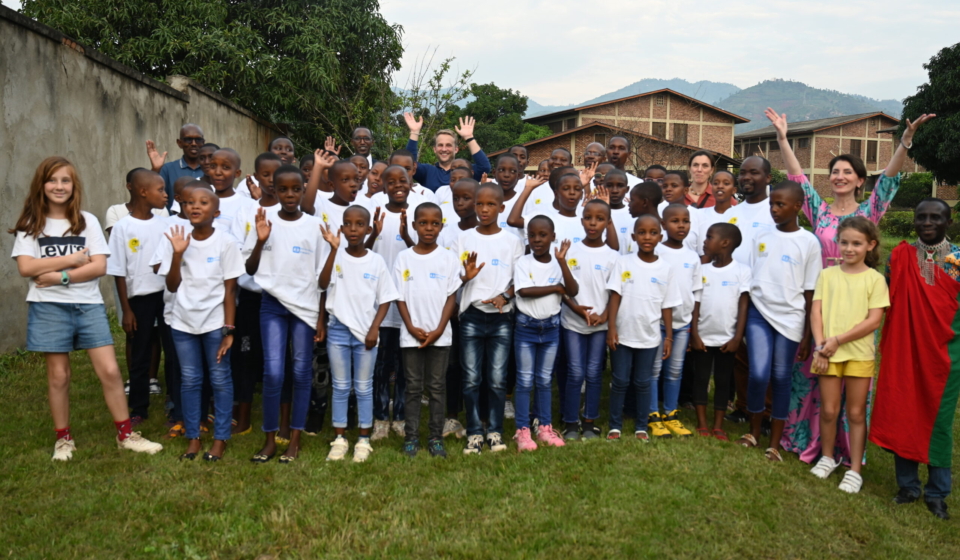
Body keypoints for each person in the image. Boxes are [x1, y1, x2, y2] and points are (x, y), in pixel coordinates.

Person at [764, 108, 936, 465]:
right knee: (811, 372)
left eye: (847, 172)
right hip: (821, 299)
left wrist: (904, 142)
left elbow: (888, 179)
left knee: (852, 379)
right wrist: (782, 137)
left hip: (857, 305)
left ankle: (845, 449)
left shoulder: (867, 214)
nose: (839, 176)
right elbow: (798, 178)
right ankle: (807, 441)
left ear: (860, 180)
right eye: (835, 172)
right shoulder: (820, 213)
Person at [11, 157, 163, 460]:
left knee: (109, 370)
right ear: (41, 185)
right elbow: (26, 267)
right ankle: (63, 440)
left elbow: (99, 266)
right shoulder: (31, 223)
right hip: (48, 307)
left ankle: (125, 434)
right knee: (59, 376)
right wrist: (71, 260)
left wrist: (59, 276)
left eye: (65, 180)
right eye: (52, 180)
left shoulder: (87, 220)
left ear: (73, 185)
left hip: (88, 305)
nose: (59, 186)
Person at [871, 198, 960, 520]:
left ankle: (938, 492)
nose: (927, 222)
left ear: (948, 222)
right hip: (906, 350)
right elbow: (891, 298)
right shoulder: (900, 257)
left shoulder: (959, 259)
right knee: (903, 411)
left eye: (935, 217)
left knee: (940, 423)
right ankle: (908, 486)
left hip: (947, 354)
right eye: (921, 216)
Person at [243, 165, 327, 464]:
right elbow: (250, 269)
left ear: (303, 190)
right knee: (274, 372)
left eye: (295, 189)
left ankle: (294, 439)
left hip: (305, 307)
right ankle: (269, 439)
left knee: (302, 371)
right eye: (283, 189)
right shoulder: (264, 222)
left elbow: (322, 278)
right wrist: (261, 240)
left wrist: (320, 317)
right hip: (273, 305)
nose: (289, 195)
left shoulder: (314, 226)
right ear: (274, 191)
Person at [156, 187, 244, 461]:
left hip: (215, 324)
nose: (195, 207)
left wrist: (229, 330)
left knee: (219, 379)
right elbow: (171, 286)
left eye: (203, 203)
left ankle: (220, 439)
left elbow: (231, 291)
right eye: (190, 203)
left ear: (216, 212)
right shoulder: (177, 239)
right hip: (182, 323)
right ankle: (193, 437)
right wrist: (177, 255)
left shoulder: (226, 242)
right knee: (190, 379)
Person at [739, 181, 822, 462]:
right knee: (759, 374)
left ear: (797, 207)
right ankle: (752, 431)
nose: (774, 209)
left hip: (790, 319)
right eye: (772, 203)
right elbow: (749, 278)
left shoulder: (809, 242)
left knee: (781, 376)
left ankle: (774, 442)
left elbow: (811, 292)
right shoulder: (761, 235)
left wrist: (808, 335)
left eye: (780, 204)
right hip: (759, 314)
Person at [807, 217, 888, 493]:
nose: (849, 249)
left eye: (857, 243)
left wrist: (837, 340)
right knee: (829, 410)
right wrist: (821, 346)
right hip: (826, 355)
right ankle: (827, 457)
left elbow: (873, 320)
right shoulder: (827, 275)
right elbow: (816, 311)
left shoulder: (875, 280)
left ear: (870, 245)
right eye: (844, 242)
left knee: (855, 413)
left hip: (858, 355)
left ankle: (854, 469)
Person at [320, 205, 399, 462]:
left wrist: (375, 327)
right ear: (342, 228)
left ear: (368, 229)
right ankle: (340, 438)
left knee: (364, 387)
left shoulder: (375, 261)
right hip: (338, 332)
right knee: (341, 387)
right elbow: (322, 284)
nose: (353, 230)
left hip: (366, 333)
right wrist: (333, 250)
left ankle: (363, 439)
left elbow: (386, 298)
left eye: (359, 225)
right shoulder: (336, 256)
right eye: (348, 224)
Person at [456, 183, 525, 454]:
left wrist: (505, 296)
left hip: (500, 318)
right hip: (471, 316)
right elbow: (455, 277)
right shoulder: (463, 239)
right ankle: (474, 432)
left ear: (501, 208)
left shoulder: (512, 242)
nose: (484, 210)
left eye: (490, 205)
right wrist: (466, 277)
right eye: (480, 204)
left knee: (497, 379)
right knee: (472, 378)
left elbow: (520, 280)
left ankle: (495, 431)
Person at [394, 203, 462, 458]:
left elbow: (451, 297)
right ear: (414, 226)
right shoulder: (404, 258)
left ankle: (435, 437)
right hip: (410, 334)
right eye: (423, 223)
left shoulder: (447, 258)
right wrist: (411, 327)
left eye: (435, 223)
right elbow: (399, 297)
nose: (429, 227)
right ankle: (411, 437)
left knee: (436, 387)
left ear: (441, 226)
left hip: (440, 335)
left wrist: (439, 328)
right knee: (412, 387)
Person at [606, 214, 681, 441]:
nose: (647, 237)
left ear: (660, 236)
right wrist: (611, 328)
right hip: (622, 333)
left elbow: (667, 305)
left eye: (653, 232)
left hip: (649, 336)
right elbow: (615, 296)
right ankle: (615, 426)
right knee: (620, 381)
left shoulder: (666, 268)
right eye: (642, 232)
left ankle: (641, 425)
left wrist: (668, 337)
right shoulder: (623, 262)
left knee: (643, 381)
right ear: (634, 236)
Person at [107, 169, 169, 426]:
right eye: (161, 190)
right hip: (139, 300)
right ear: (143, 192)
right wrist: (127, 310)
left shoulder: (166, 223)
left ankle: (175, 403)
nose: (166, 195)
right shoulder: (122, 227)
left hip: (167, 296)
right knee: (140, 352)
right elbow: (118, 271)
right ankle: (138, 407)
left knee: (173, 351)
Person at [512, 219, 579, 451]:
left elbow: (572, 291)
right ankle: (522, 430)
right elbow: (524, 291)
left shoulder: (559, 264)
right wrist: (555, 288)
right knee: (524, 380)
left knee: (544, 380)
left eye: (543, 235)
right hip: (526, 329)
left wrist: (562, 263)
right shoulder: (523, 262)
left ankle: (544, 427)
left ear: (553, 236)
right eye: (532, 235)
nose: (537, 240)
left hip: (551, 329)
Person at [367, 165, 418, 440]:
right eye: (391, 181)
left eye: (403, 180)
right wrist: (374, 232)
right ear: (382, 185)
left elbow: (423, 254)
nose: (398, 185)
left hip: (408, 303)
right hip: (380, 304)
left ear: (411, 182)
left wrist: (408, 233)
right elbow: (362, 250)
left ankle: (400, 416)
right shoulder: (375, 209)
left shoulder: (420, 211)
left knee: (404, 365)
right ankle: (379, 418)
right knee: (381, 364)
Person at [560, 200, 619, 441]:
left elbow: (616, 292)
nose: (592, 223)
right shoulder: (571, 251)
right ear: (581, 219)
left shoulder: (614, 256)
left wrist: (604, 316)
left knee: (594, 373)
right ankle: (570, 422)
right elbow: (562, 290)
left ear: (607, 222)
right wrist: (578, 311)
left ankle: (590, 421)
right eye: (588, 218)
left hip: (599, 325)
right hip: (573, 322)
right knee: (575, 372)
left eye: (599, 219)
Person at [645, 204, 701, 438]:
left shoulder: (692, 256)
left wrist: (693, 327)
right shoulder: (657, 252)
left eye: (685, 221)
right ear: (664, 225)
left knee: (675, 371)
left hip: (682, 325)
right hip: (656, 323)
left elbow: (696, 293)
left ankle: (671, 413)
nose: (681, 225)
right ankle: (652, 414)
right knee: (654, 369)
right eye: (675, 221)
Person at [689, 223, 750, 440]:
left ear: (725, 242)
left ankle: (718, 425)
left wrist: (737, 338)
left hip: (727, 339)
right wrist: (694, 334)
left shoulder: (742, 271)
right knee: (701, 379)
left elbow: (743, 306)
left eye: (709, 237)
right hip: (703, 337)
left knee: (723, 382)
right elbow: (695, 303)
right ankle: (702, 423)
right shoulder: (702, 270)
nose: (705, 241)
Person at [403, 113, 491, 191]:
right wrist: (414, 132)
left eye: (448, 145)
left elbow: (484, 167)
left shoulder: (466, 170)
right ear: (435, 149)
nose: (444, 149)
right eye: (440, 145)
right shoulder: (427, 171)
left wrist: (469, 137)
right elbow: (408, 164)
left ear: (456, 149)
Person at [147, 124, 207, 206]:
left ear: (203, 143)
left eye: (198, 140)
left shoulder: (210, 170)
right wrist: (155, 170)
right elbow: (151, 194)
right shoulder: (167, 169)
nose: (193, 143)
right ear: (179, 143)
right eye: (188, 139)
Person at [104, 168, 170, 232]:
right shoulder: (115, 212)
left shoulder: (161, 213)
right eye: (160, 190)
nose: (166, 195)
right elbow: (116, 238)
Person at [659, 171, 702, 254]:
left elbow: (703, 254)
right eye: (665, 186)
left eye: (674, 186)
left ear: (686, 190)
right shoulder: (657, 211)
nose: (668, 189)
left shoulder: (698, 216)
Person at [521, 148, 574, 216]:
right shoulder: (535, 187)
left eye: (563, 160)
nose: (557, 162)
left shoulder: (577, 188)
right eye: (554, 158)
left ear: (571, 166)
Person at [697, 171, 738, 247]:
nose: (720, 186)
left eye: (726, 183)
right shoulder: (699, 214)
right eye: (715, 183)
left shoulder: (741, 216)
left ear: (734, 190)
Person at [604, 170, 634, 255]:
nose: (614, 191)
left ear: (627, 189)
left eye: (620, 186)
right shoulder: (597, 212)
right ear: (603, 187)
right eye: (609, 186)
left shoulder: (633, 214)